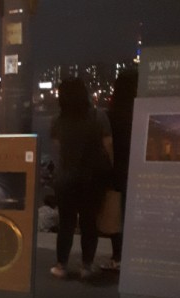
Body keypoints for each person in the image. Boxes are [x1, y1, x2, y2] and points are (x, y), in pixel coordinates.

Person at [50, 77, 113, 280]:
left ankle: (61, 265)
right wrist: (110, 169)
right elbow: (108, 145)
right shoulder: (98, 116)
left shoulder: (57, 120)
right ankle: (86, 266)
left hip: (66, 178)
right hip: (92, 178)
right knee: (89, 223)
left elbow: (58, 149)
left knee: (66, 223)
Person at [99, 68, 138, 271]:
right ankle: (135, 254)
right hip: (138, 169)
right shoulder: (140, 112)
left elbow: (106, 144)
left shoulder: (111, 114)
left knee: (116, 213)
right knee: (134, 212)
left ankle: (118, 256)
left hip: (116, 169)